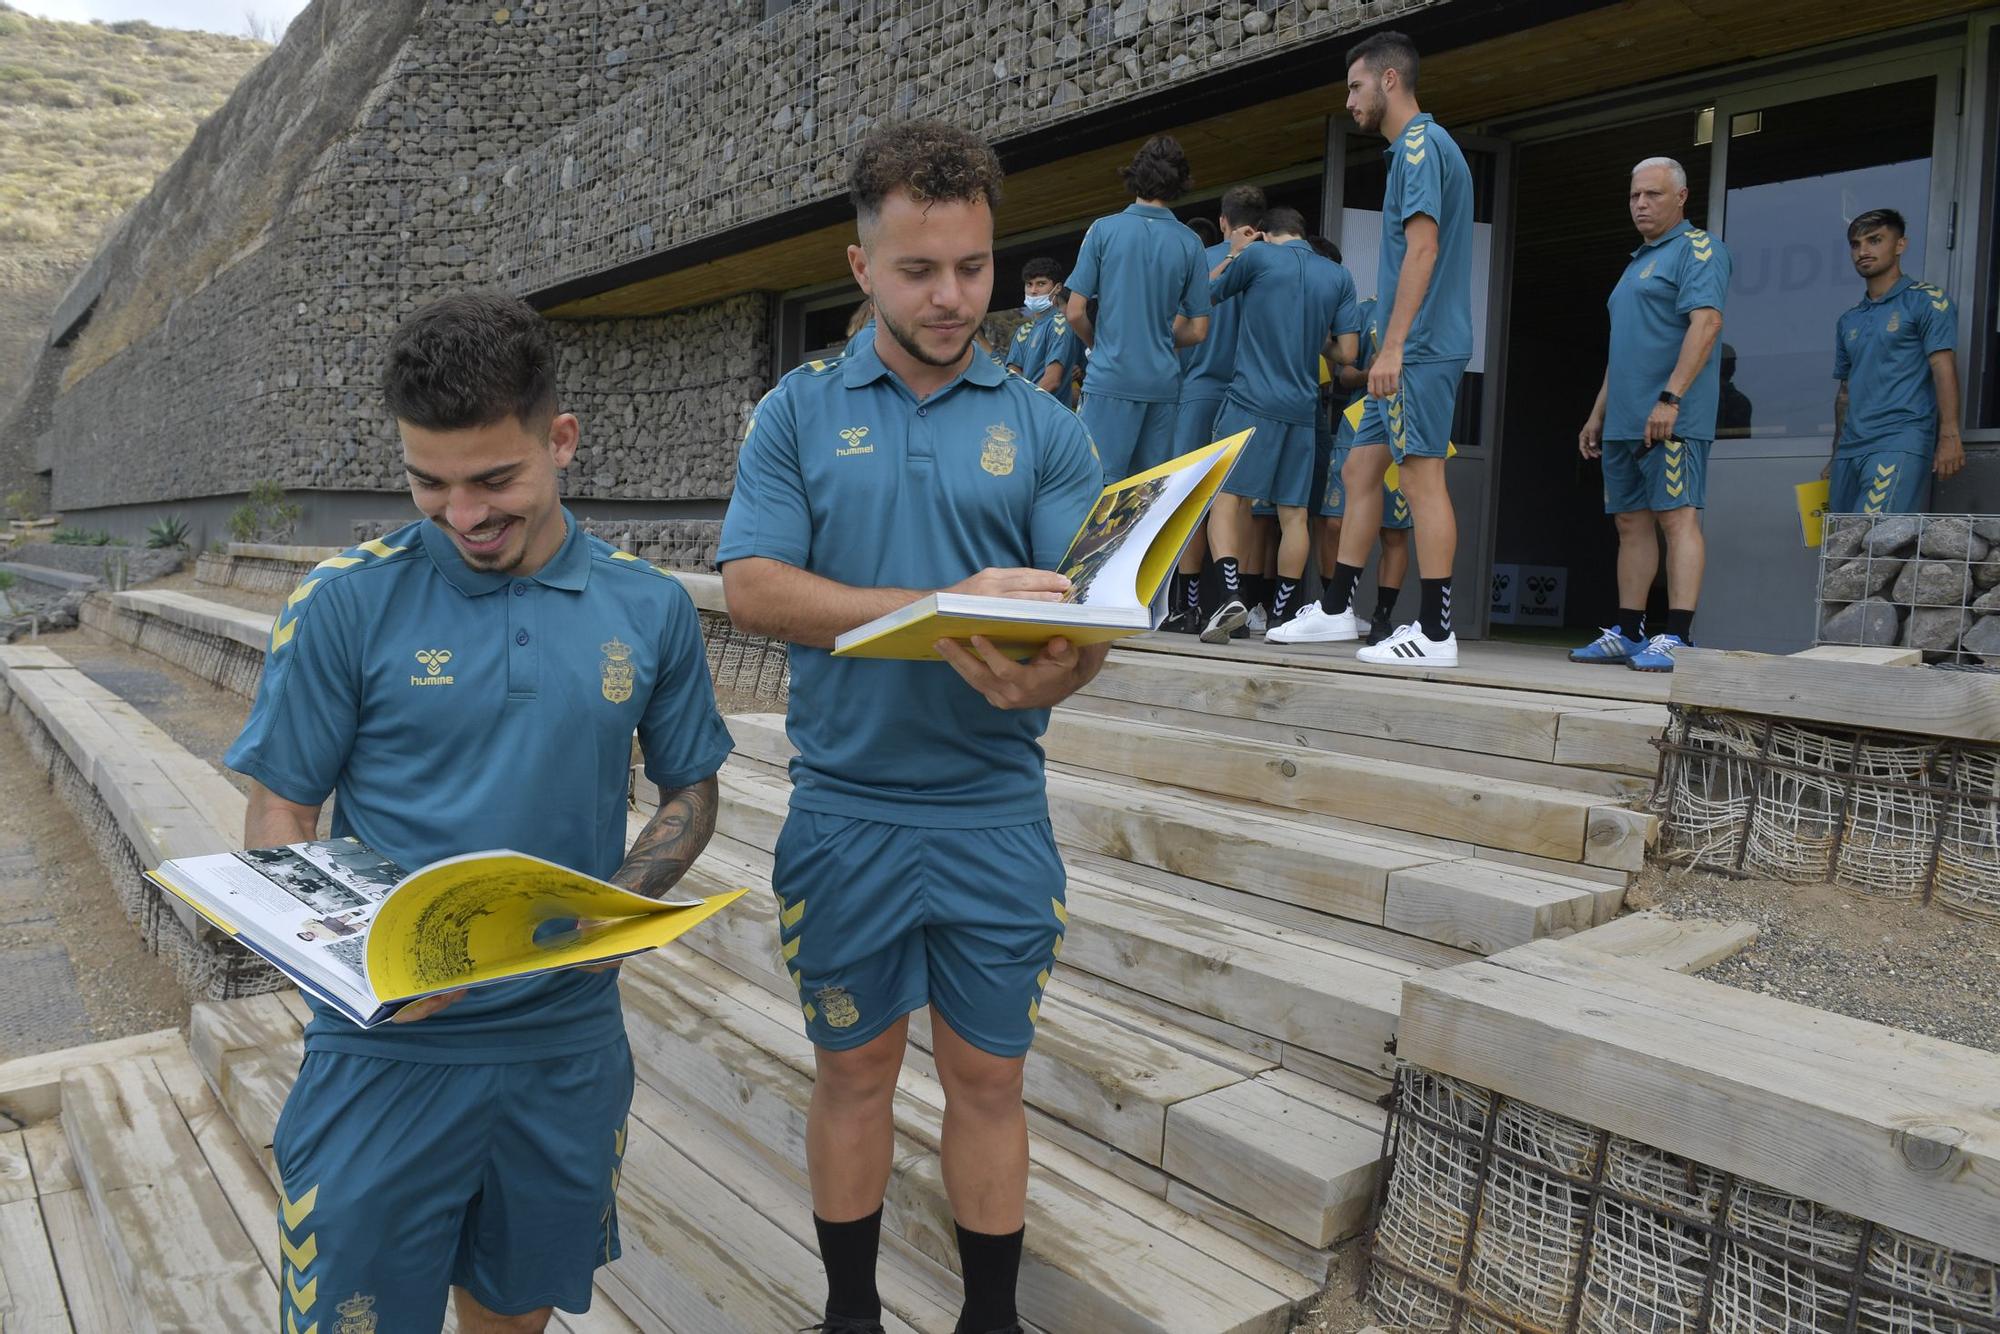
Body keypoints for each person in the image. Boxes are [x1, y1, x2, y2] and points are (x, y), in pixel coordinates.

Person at [226, 291, 733, 1334]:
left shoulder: (650, 607)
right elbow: (281, 804)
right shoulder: (342, 601)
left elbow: (691, 785)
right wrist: (342, 963)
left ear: (561, 441)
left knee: (515, 1315)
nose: (463, 514)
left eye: (494, 479)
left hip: (565, 1047)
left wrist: (621, 906)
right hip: (385, 1053)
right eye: (429, 482)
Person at [716, 120, 1106, 1334]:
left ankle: (987, 1316)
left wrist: (1064, 673)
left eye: (974, 268)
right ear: (858, 267)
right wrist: (943, 607)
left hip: (993, 810)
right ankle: (850, 1312)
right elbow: (755, 586)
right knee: (854, 1069)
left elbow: (1084, 618)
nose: (952, 298)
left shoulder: (1046, 427)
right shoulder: (795, 411)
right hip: (846, 811)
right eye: (918, 270)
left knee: (989, 1078)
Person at [1289, 31, 1473, 666]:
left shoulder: (1421, 148)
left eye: (1355, 86)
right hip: (1406, 350)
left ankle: (1437, 632)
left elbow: (1424, 249)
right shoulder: (1419, 150)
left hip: (1416, 351)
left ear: (1390, 81)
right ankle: (1339, 609)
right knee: (1359, 469)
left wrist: (1390, 348)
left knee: (1422, 478)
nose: (1350, 100)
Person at [1571, 156, 1731, 672]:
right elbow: (1624, 350)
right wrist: (1597, 413)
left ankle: (1678, 635)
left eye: (1653, 195)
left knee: (1677, 518)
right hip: (1623, 420)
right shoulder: (1636, 261)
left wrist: (1672, 398)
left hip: (1671, 417)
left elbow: (1705, 324)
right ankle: (1629, 629)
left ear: (1681, 197)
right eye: (1635, 195)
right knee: (1629, 524)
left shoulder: (1697, 249)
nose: (1641, 204)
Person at [1198, 205, 1361, 641]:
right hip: (1302, 408)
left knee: (1227, 500)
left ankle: (1232, 597)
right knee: (1294, 514)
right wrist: (1315, 337)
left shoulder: (1256, 256)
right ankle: (1283, 614)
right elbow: (1347, 353)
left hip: (1249, 399)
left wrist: (1236, 251)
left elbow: (1204, 293)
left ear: (1266, 233)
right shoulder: (1337, 277)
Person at [1064, 135, 1211, 480]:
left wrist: (1097, 345)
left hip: (1109, 377)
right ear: (1180, 182)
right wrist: (1158, 338)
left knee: (1095, 487)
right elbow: (1198, 329)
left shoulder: (1103, 230)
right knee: (1146, 496)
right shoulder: (1190, 242)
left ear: (1134, 174)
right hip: (1162, 382)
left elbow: (1074, 312)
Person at [1164, 184, 1266, 633]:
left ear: (1223, 221)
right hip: (1246, 393)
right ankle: (1235, 605)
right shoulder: (1271, 262)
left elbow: (1173, 324)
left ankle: (1187, 605)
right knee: (1236, 502)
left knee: (1189, 498)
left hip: (1197, 387)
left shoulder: (1202, 259)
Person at [1286, 294, 1413, 647]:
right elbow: (1345, 374)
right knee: (1334, 522)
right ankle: (1336, 606)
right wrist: (1372, 371)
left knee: (1394, 531)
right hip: (1360, 421)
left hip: (1408, 421)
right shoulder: (1367, 309)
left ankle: (1382, 616)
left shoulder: (1433, 307)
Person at [1824, 208, 1960, 515]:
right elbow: (1844, 393)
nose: (1863, 251)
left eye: (1875, 240)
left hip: (1899, 441)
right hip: (1851, 450)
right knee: (1840, 546)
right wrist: (1836, 454)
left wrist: (1950, 435)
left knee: (1873, 542)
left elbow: (1943, 367)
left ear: (1900, 245)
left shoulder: (1927, 300)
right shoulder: (1849, 319)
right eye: (1856, 244)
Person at [1005, 257, 1064, 379]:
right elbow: (1013, 374)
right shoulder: (1024, 330)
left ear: (1057, 288)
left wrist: (1028, 398)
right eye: (1029, 284)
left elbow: (1053, 381)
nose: (1033, 291)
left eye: (1041, 284)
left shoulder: (1061, 323)